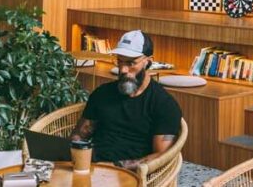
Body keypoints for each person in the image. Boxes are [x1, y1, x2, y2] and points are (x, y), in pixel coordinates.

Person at [71, 30, 182, 169]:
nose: (123, 70)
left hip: (132, 174)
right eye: (120, 61)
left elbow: (161, 156)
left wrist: (115, 166)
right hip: (91, 167)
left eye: (131, 63)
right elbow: (80, 135)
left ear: (148, 62)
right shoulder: (102, 94)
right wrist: (75, 156)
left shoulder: (164, 104)